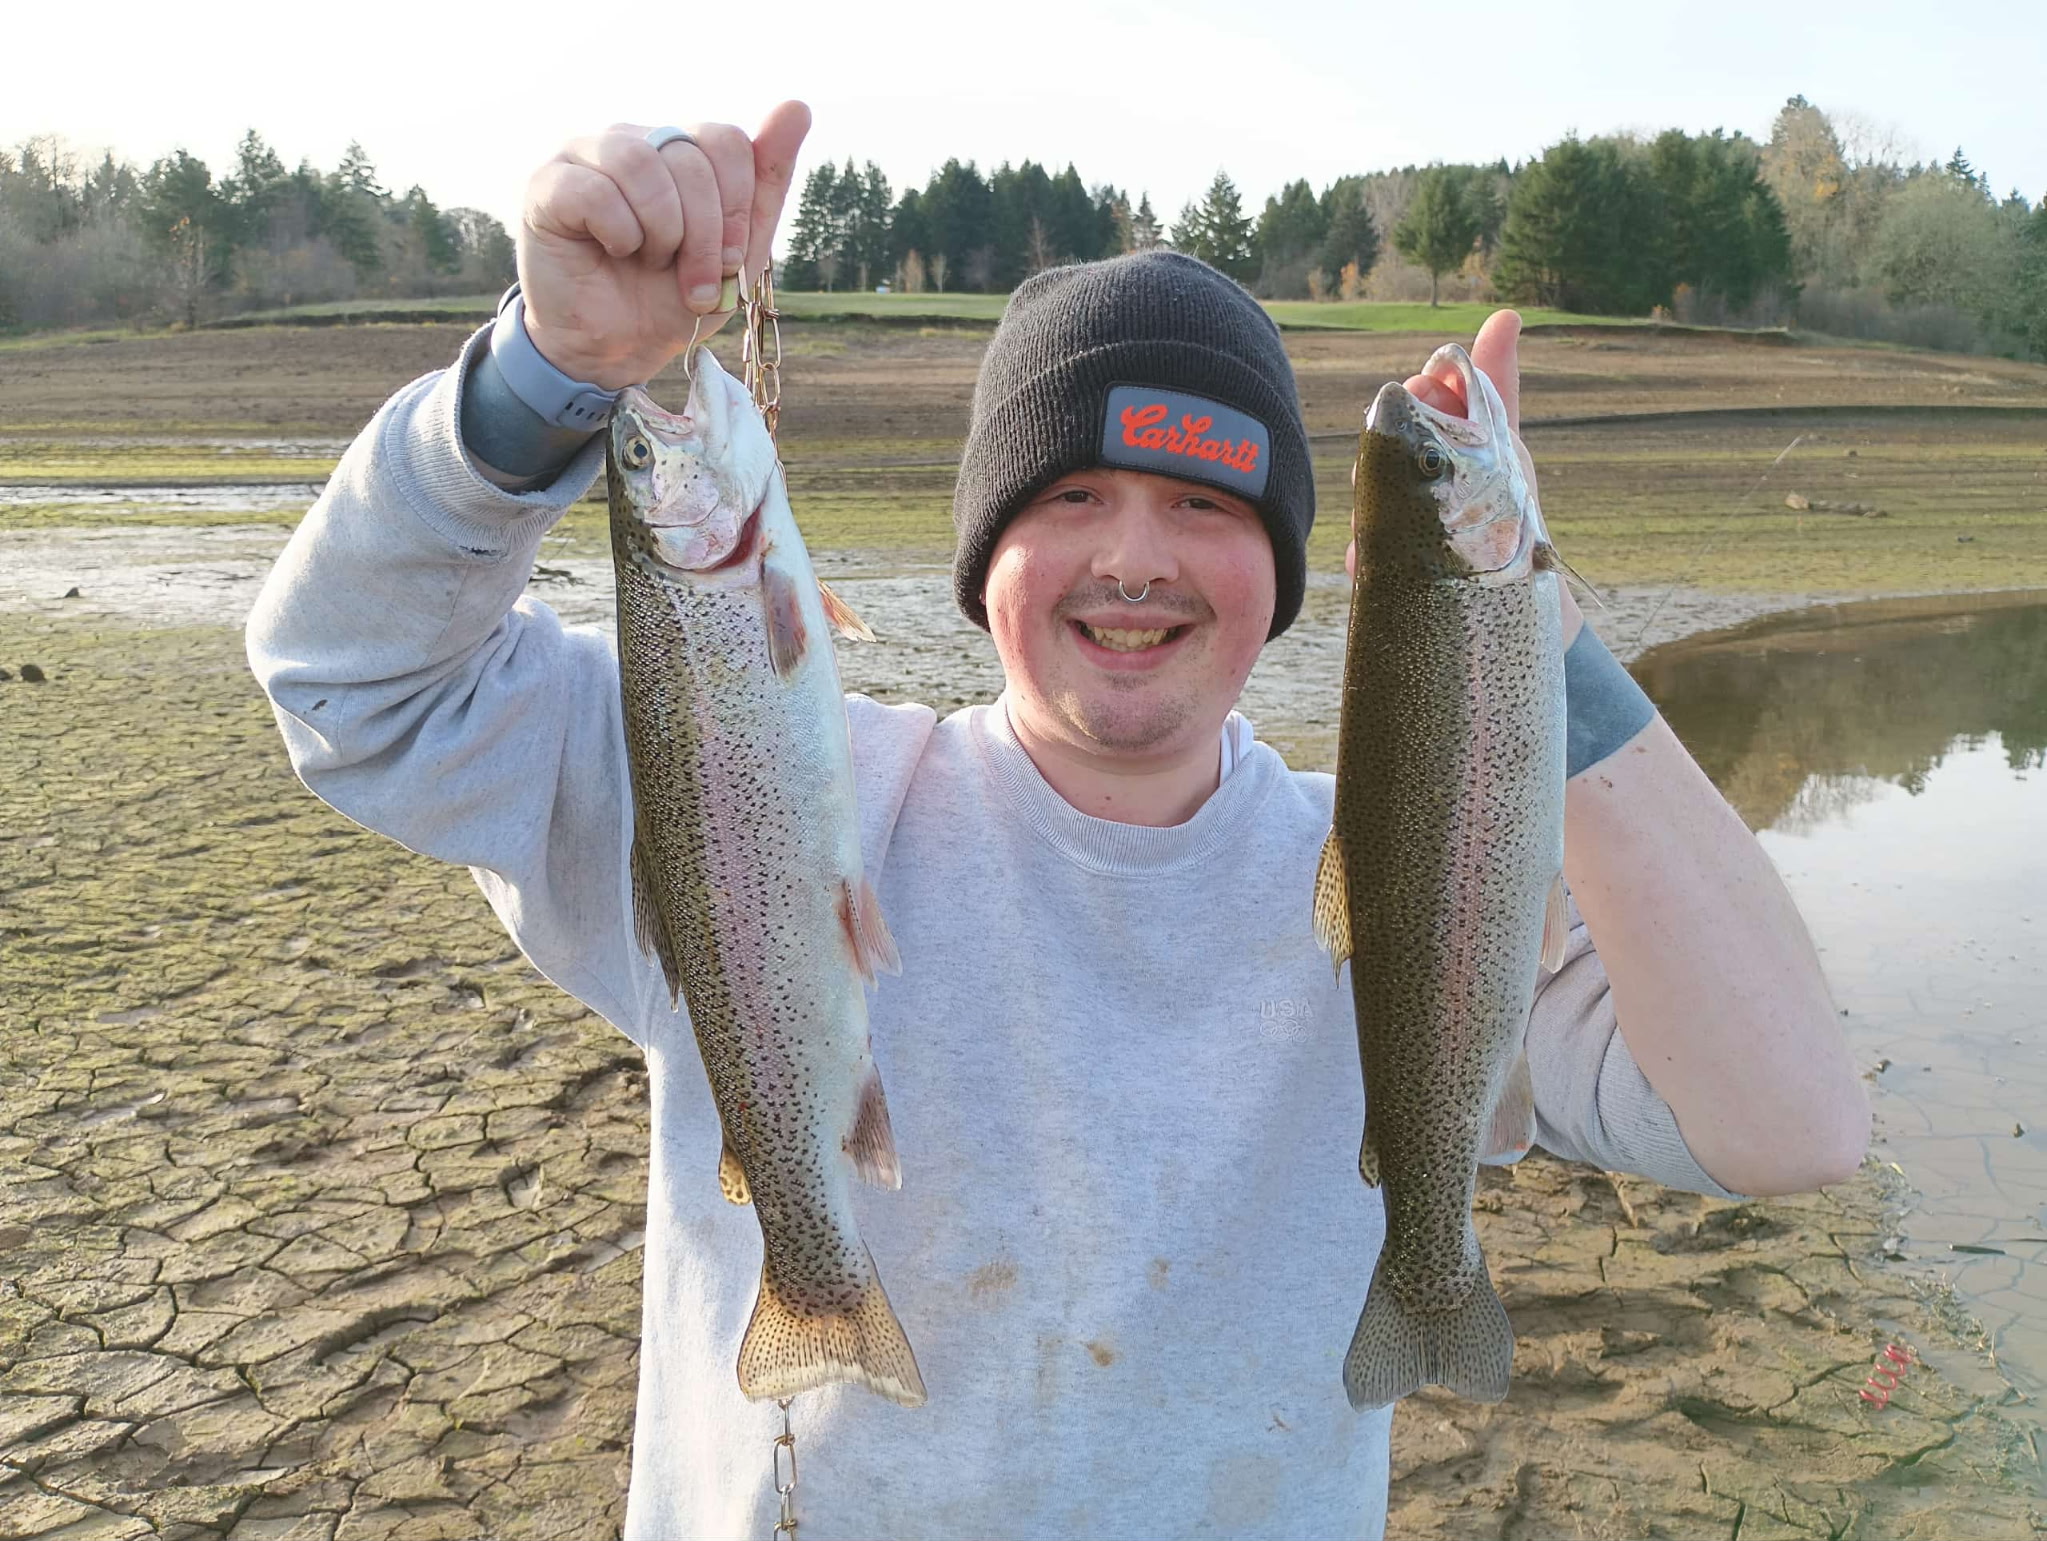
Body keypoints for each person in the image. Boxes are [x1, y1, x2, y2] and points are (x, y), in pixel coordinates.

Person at [244, 102, 1868, 1540]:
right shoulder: (748, 778)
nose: (1135, 557)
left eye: (1206, 505)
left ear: (1292, 572)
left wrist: (1525, 634)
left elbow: (1791, 1123)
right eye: (1070, 497)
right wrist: (544, 380)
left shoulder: (1410, 876)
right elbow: (351, 686)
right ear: (985, 555)